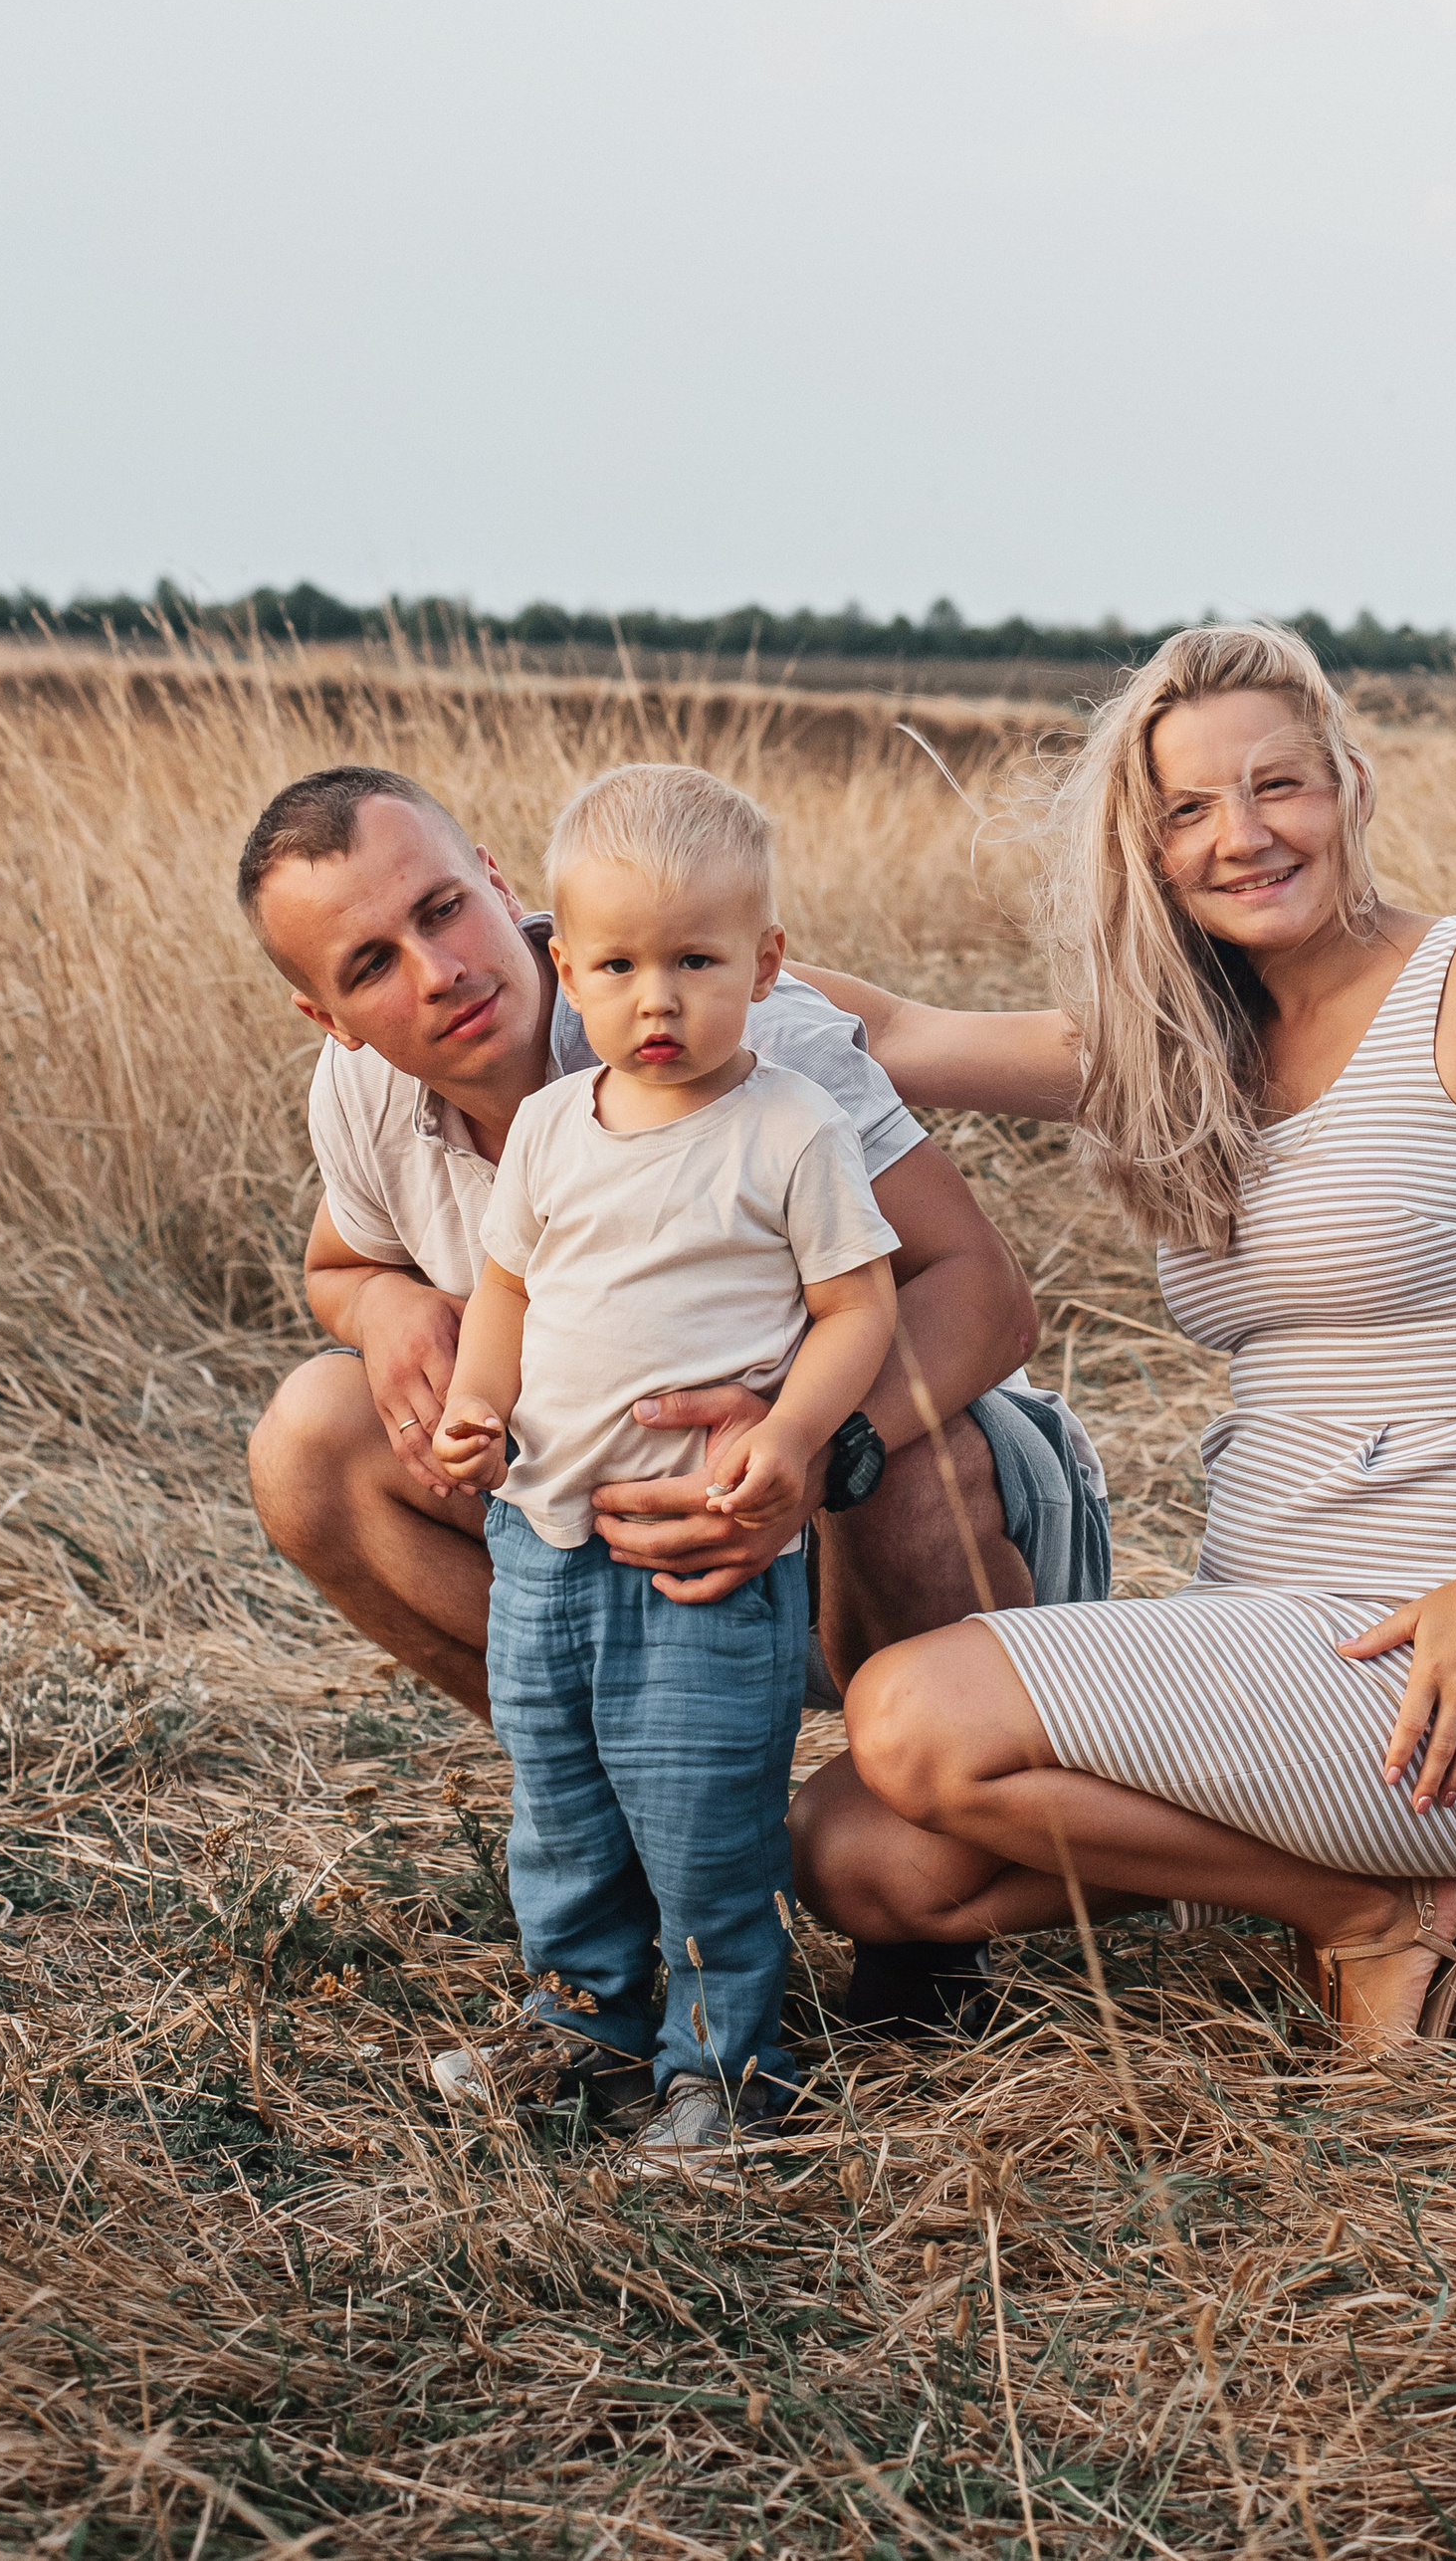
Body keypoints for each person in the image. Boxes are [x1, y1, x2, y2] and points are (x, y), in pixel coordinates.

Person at [788, 621, 1456, 2052]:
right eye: (1188, 808)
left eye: (1278, 784)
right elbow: (886, 1030)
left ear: (1352, 782)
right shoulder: (1172, 1048)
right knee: (854, 1854)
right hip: (1259, 1632)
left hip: (1440, 1662)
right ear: (1150, 848)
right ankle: (1354, 1891)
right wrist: (584, 955)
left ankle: (1368, 1913)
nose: (1243, 834)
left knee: (910, 1712)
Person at [237, 754, 1109, 2040]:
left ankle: (926, 1908)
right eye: (369, 965)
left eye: (439, 909)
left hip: (920, 1499)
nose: (436, 971)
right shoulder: (364, 1096)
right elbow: (338, 1262)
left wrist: (816, 1443)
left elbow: (983, 1295)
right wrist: (386, 1307)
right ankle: (640, 1823)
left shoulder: (747, 1030)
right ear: (332, 1019)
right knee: (312, 1436)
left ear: (497, 882)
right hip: (637, 1542)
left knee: (915, 1446)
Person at [428, 764, 899, 2167]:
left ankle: (727, 2066)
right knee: (558, 1797)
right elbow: (507, 1287)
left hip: (703, 1546)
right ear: (563, 963)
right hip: (543, 1539)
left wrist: (792, 1434)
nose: (658, 999)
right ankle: (580, 2018)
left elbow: (859, 1310)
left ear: (761, 963)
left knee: (703, 1810)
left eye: (696, 960)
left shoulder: (789, 1129)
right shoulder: (554, 1128)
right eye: (620, 963)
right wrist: (474, 1404)